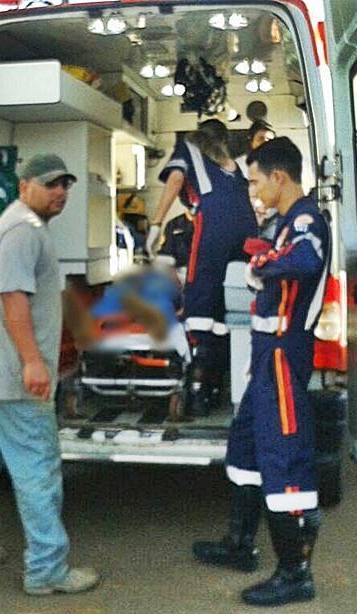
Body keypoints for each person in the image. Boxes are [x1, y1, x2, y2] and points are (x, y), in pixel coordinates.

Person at [0, 153, 99, 595]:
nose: (60, 191)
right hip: (14, 377)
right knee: (38, 470)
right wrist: (32, 360)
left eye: (65, 184)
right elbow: (15, 299)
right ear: (24, 185)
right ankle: (46, 569)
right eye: (50, 184)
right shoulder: (24, 231)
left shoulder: (17, 224)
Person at [192, 137, 330, 607]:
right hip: (265, 353)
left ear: (279, 177)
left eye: (255, 181)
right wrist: (263, 259)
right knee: (247, 447)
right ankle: (240, 545)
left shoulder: (306, 219)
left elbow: (305, 260)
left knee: (284, 456)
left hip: (284, 354)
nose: (252, 190)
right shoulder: (284, 222)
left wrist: (265, 263)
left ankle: (295, 573)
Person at [145, 119, 258, 414]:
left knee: (201, 296)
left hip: (214, 225)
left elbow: (175, 180)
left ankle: (197, 386)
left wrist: (156, 222)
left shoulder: (188, 149)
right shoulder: (234, 165)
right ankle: (226, 378)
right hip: (247, 229)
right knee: (233, 301)